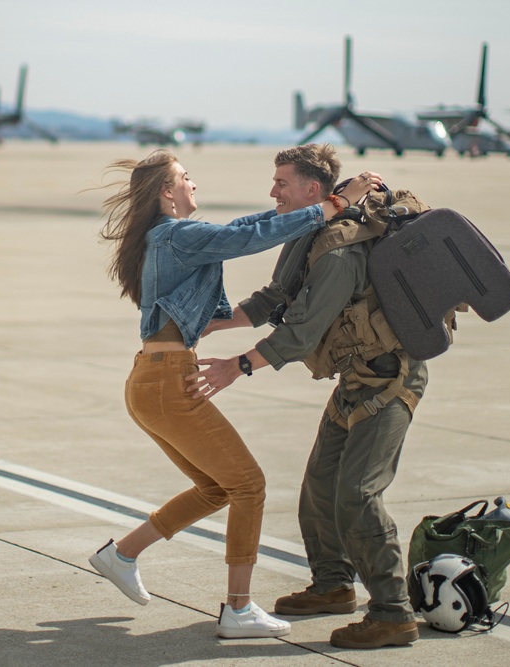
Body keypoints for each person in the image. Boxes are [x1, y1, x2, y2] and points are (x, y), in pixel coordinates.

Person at [88, 149, 379, 640]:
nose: (193, 185)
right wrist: (329, 208)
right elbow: (245, 237)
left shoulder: (173, 237)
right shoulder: (176, 235)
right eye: (185, 178)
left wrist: (312, 209)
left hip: (156, 378)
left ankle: (122, 554)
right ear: (166, 191)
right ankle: (239, 609)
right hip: (166, 382)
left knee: (218, 488)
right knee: (249, 486)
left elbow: (250, 226)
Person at [187, 143, 427, 649]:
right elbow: (276, 297)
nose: (273, 191)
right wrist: (215, 324)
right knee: (319, 492)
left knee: (356, 496)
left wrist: (238, 366)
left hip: (389, 381)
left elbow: (298, 334)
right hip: (354, 382)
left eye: (281, 183)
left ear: (312, 189)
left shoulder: (338, 252)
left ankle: (392, 611)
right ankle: (333, 586)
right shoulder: (306, 233)